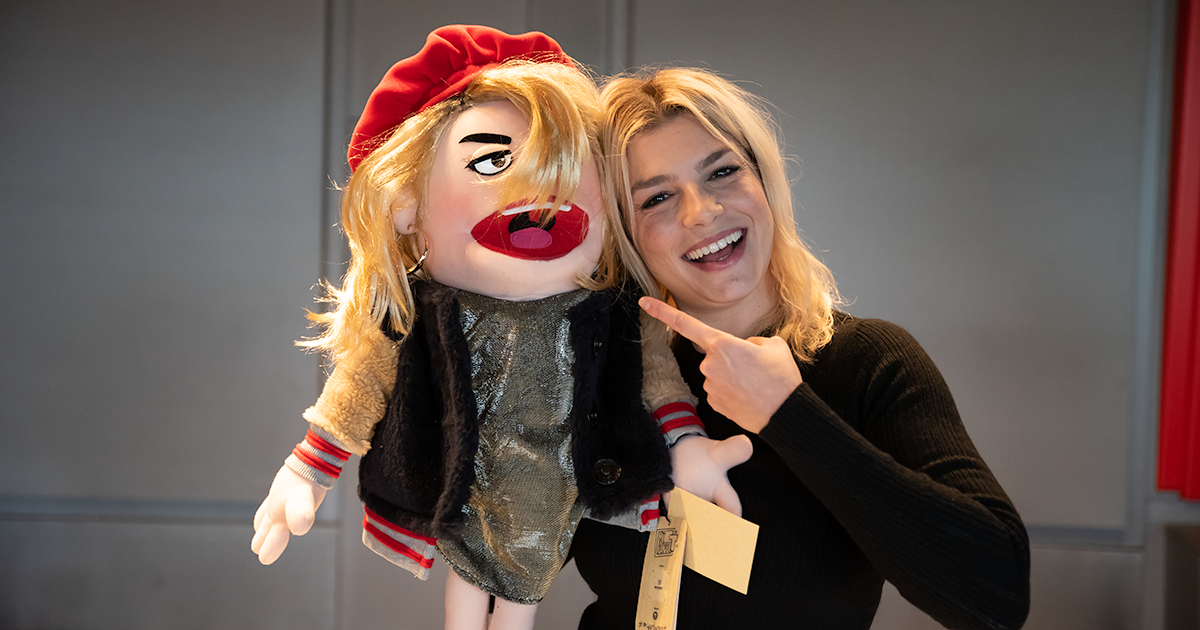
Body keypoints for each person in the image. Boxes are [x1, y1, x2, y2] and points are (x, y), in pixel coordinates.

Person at [249, 27, 702, 630]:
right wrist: (307, 469)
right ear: (407, 205)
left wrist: (688, 442)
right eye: (492, 161)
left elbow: (657, 379)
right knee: (468, 587)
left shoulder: (619, 311)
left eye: (568, 168)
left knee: (521, 594)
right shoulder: (414, 316)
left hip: (564, 491)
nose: (541, 198)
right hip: (459, 489)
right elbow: (359, 387)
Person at [569, 67, 1031, 629]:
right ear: (623, 230)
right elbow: (497, 546)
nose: (701, 212)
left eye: (722, 172)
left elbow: (996, 599)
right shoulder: (605, 378)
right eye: (657, 197)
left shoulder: (868, 361)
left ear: (765, 182)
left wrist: (789, 414)